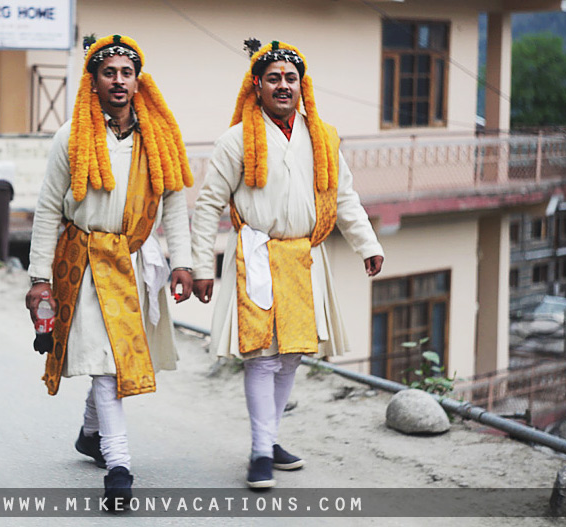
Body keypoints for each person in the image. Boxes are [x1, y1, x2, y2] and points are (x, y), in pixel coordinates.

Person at [190, 39, 384, 489]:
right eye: (273, 78)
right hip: (257, 255)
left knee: (292, 355)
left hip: (305, 258)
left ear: (302, 86)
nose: (283, 85)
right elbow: (207, 207)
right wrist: (202, 267)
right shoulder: (235, 140)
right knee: (261, 356)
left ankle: (269, 437)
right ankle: (260, 452)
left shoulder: (323, 136)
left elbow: (344, 198)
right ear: (256, 85)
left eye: (290, 78)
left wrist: (367, 244)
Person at [25, 34, 194, 508]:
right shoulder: (71, 138)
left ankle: (89, 433)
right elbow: (45, 210)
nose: (118, 81)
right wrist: (40, 278)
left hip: (134, 262)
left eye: (126, 72)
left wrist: (181, 262)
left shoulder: (156, 137)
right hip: (82, 262)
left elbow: (175, 205)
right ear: (93, 81)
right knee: (106, 363)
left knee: (110, 359)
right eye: (109, 72)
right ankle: (118, 468)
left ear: (138, 80)